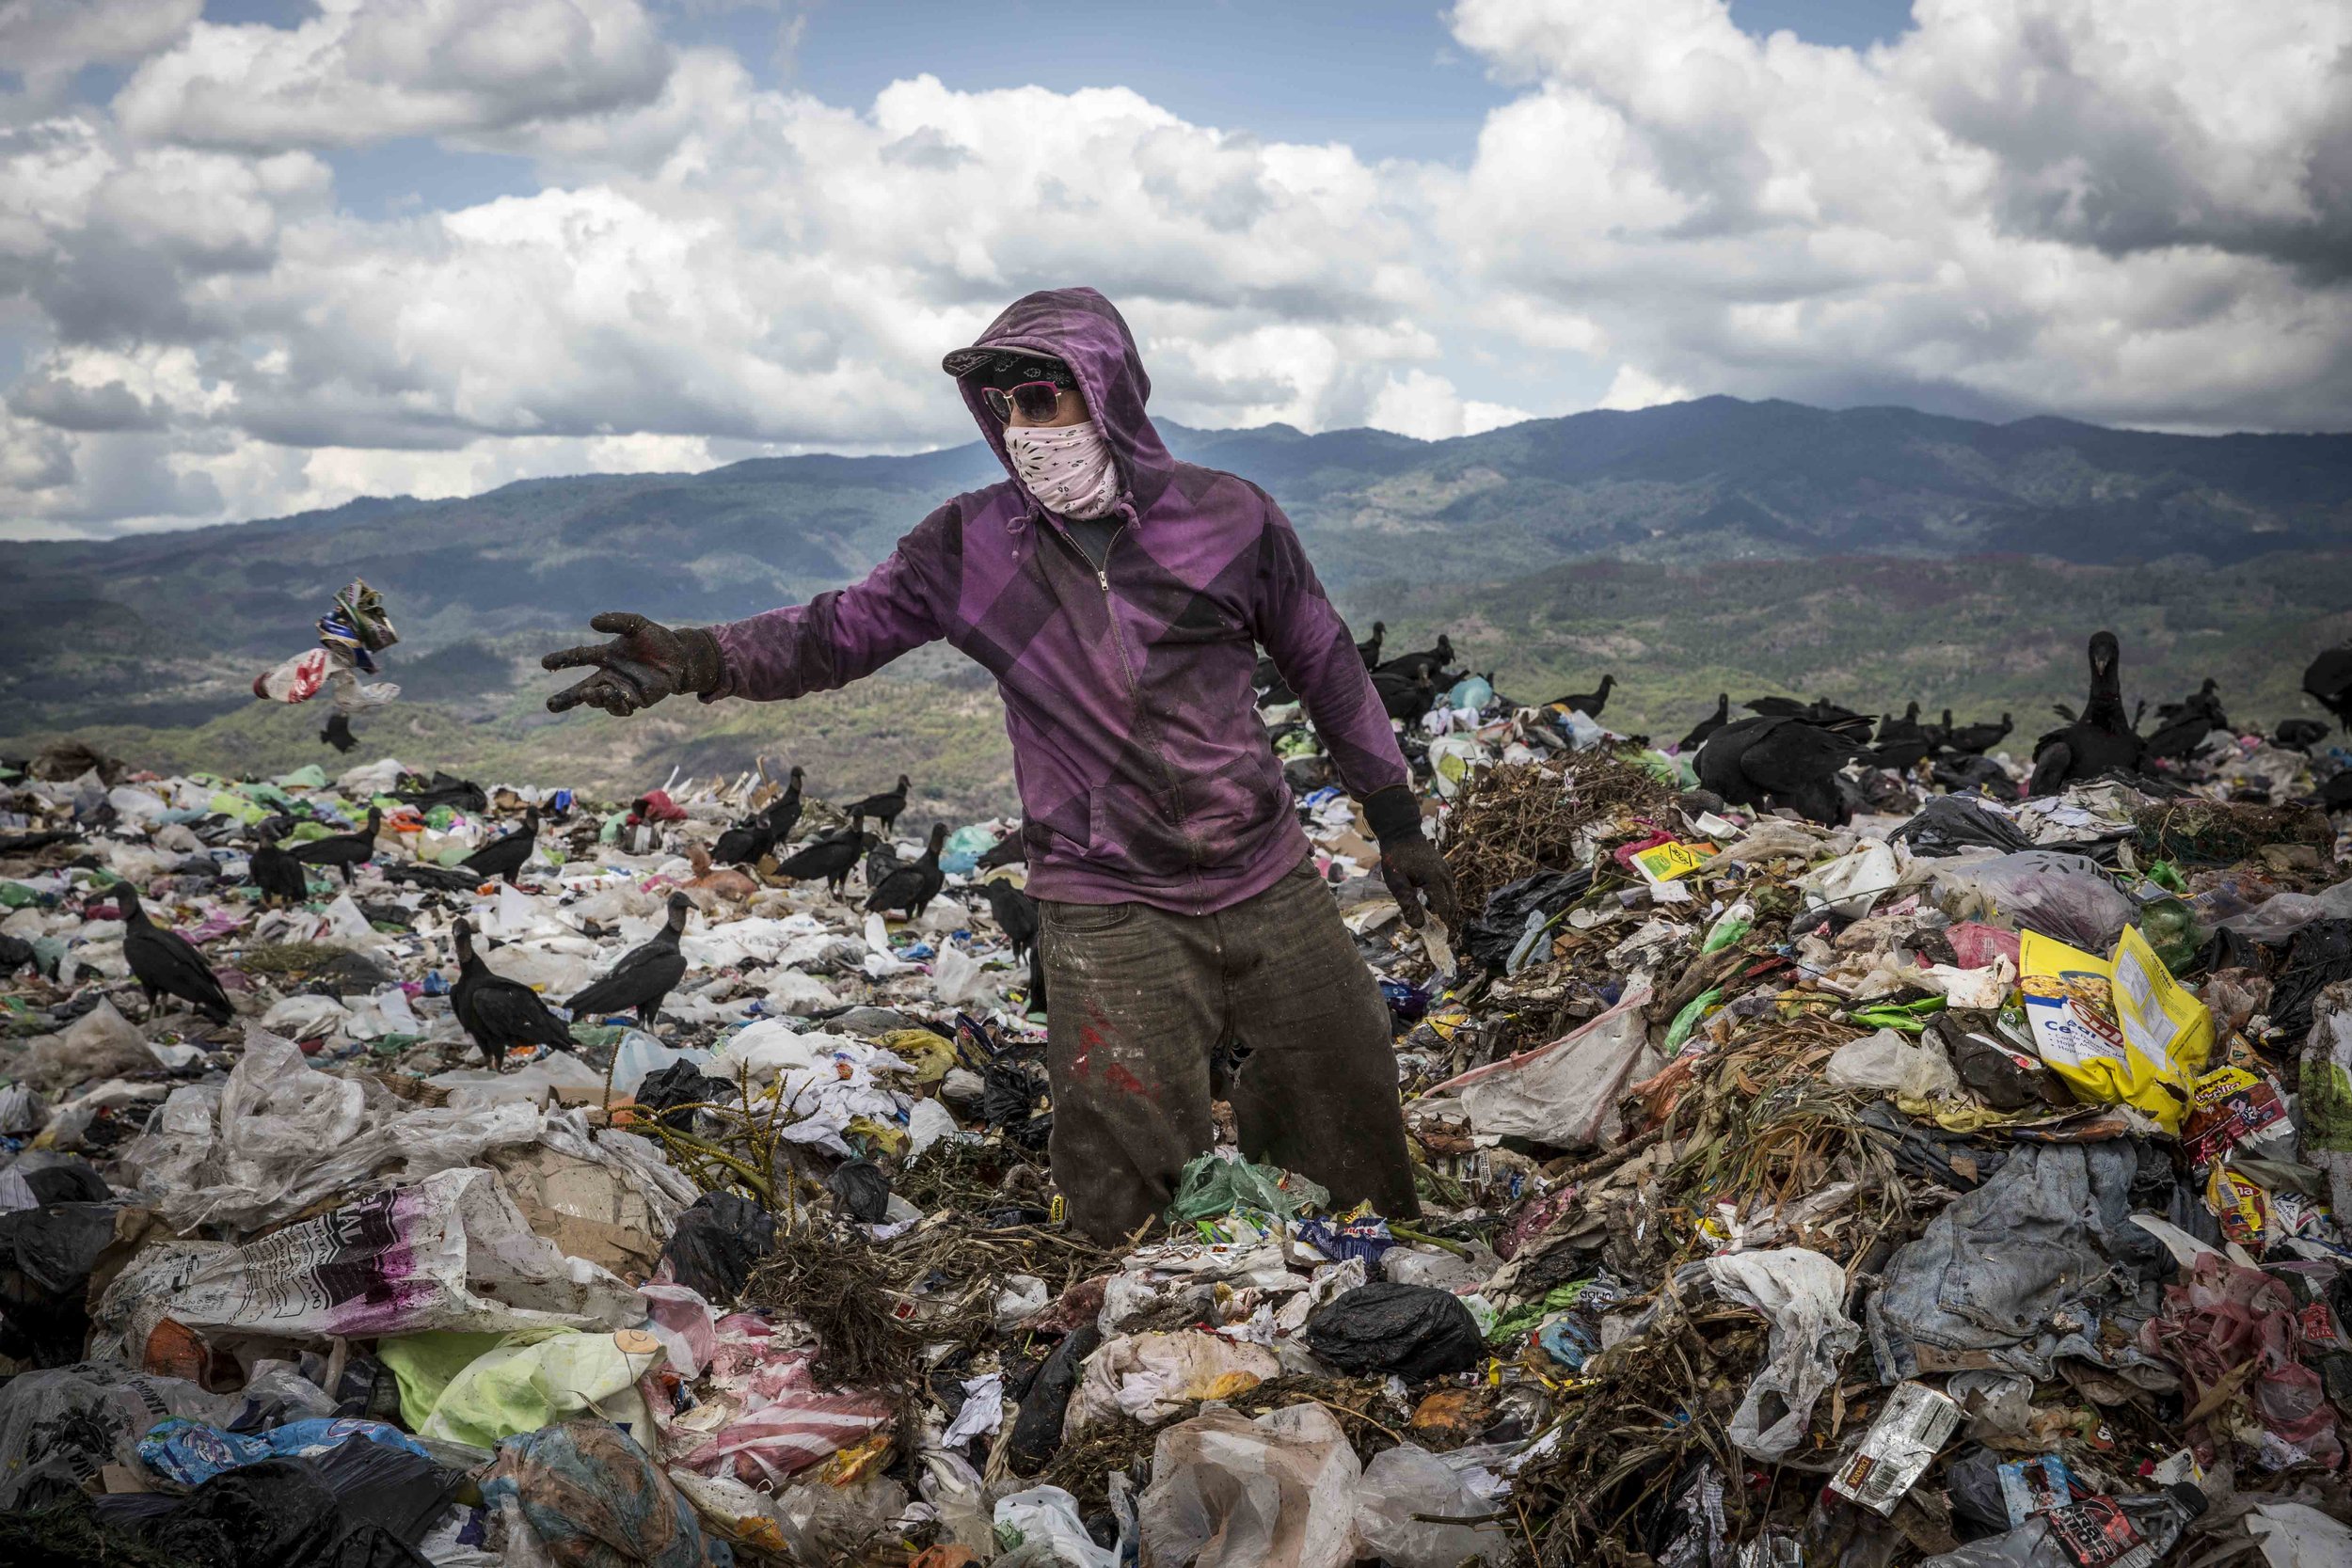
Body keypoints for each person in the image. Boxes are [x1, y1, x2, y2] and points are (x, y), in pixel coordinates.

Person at [540, 287, 1461, 1243]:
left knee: (1344, 1083)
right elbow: (835, 633)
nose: (1024, 428)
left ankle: (1354, 1276)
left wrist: (1395, 822)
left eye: (1042, 398)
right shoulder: (969, 546)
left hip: (1266, 872)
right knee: (1120, 1150)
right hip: (1106, 900)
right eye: (1008, 407)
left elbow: (1327, 664)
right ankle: (1135, 1318)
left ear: (1108, 393)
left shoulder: (1231, 520)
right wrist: (696, 656)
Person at [251, 579, 401, 752]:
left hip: (328, 665)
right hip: (325, 663)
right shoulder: (276, 684)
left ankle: (357, 618)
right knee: (327, 626)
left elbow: (303, 678)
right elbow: (304, 675)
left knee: (330, 631)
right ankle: (355, 612)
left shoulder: (281, 686)